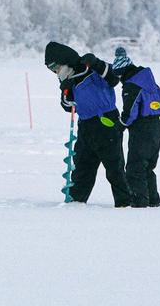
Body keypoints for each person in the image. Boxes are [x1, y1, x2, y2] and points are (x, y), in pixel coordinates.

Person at [45, 40, 130, 207]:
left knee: (114, 167)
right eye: (52, 70)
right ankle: (76, 202)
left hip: (106, 122)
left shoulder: (90, 69)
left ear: (65, 61)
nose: (56, 72)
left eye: (56, 67)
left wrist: (97, 63)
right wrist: (65, 91)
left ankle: (125, 203)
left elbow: (113, 78)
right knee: (82, 167)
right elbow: (68, 107)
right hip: (85, 126)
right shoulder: (69, 80)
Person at [109, 46, 160, 208]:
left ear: (123, 72)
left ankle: (139, 201)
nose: (119, 80)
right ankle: (153, 199)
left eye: (118, 76)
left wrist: (120, 126)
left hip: (142, 129)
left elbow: (130, 113)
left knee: (134, 167)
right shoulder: (149, 81)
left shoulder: (132, 85)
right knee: (148, 167)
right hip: (156, 126)